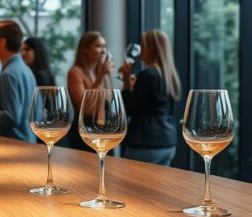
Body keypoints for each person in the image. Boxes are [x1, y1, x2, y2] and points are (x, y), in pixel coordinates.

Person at [118, 29, 181, 166]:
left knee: (131, 185)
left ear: (151, 48)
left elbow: (129, 109)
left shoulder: (148, 75)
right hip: (167, 142)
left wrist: (127, 82)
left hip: (145, 141)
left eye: (143, 45)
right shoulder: (169, 76)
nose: (140, 50)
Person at [66, 31, 114, 150]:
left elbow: (109, 101)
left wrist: (105, 75)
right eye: (98, 46)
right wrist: (101, 76)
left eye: (104, 46)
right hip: (85, 130)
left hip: (103, 129)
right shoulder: (75, 72)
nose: (103, 50)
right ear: (85, 49)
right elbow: (83, 105)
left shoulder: (99, 71)